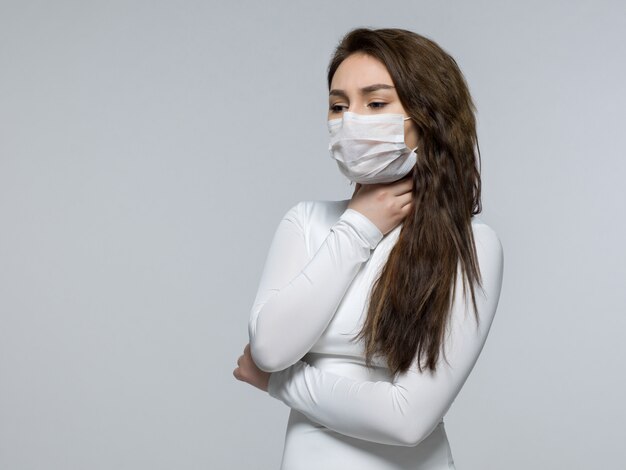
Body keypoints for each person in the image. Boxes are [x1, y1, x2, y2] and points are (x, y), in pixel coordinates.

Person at [233, 27, 504, 470]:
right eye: (338, 106)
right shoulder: (305, 222)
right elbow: (269, 349)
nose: (351, 119)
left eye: (376, 103)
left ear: (427, 116)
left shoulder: (471, 245)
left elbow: (407, 419)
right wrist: (360, 225)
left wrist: (278, 384)